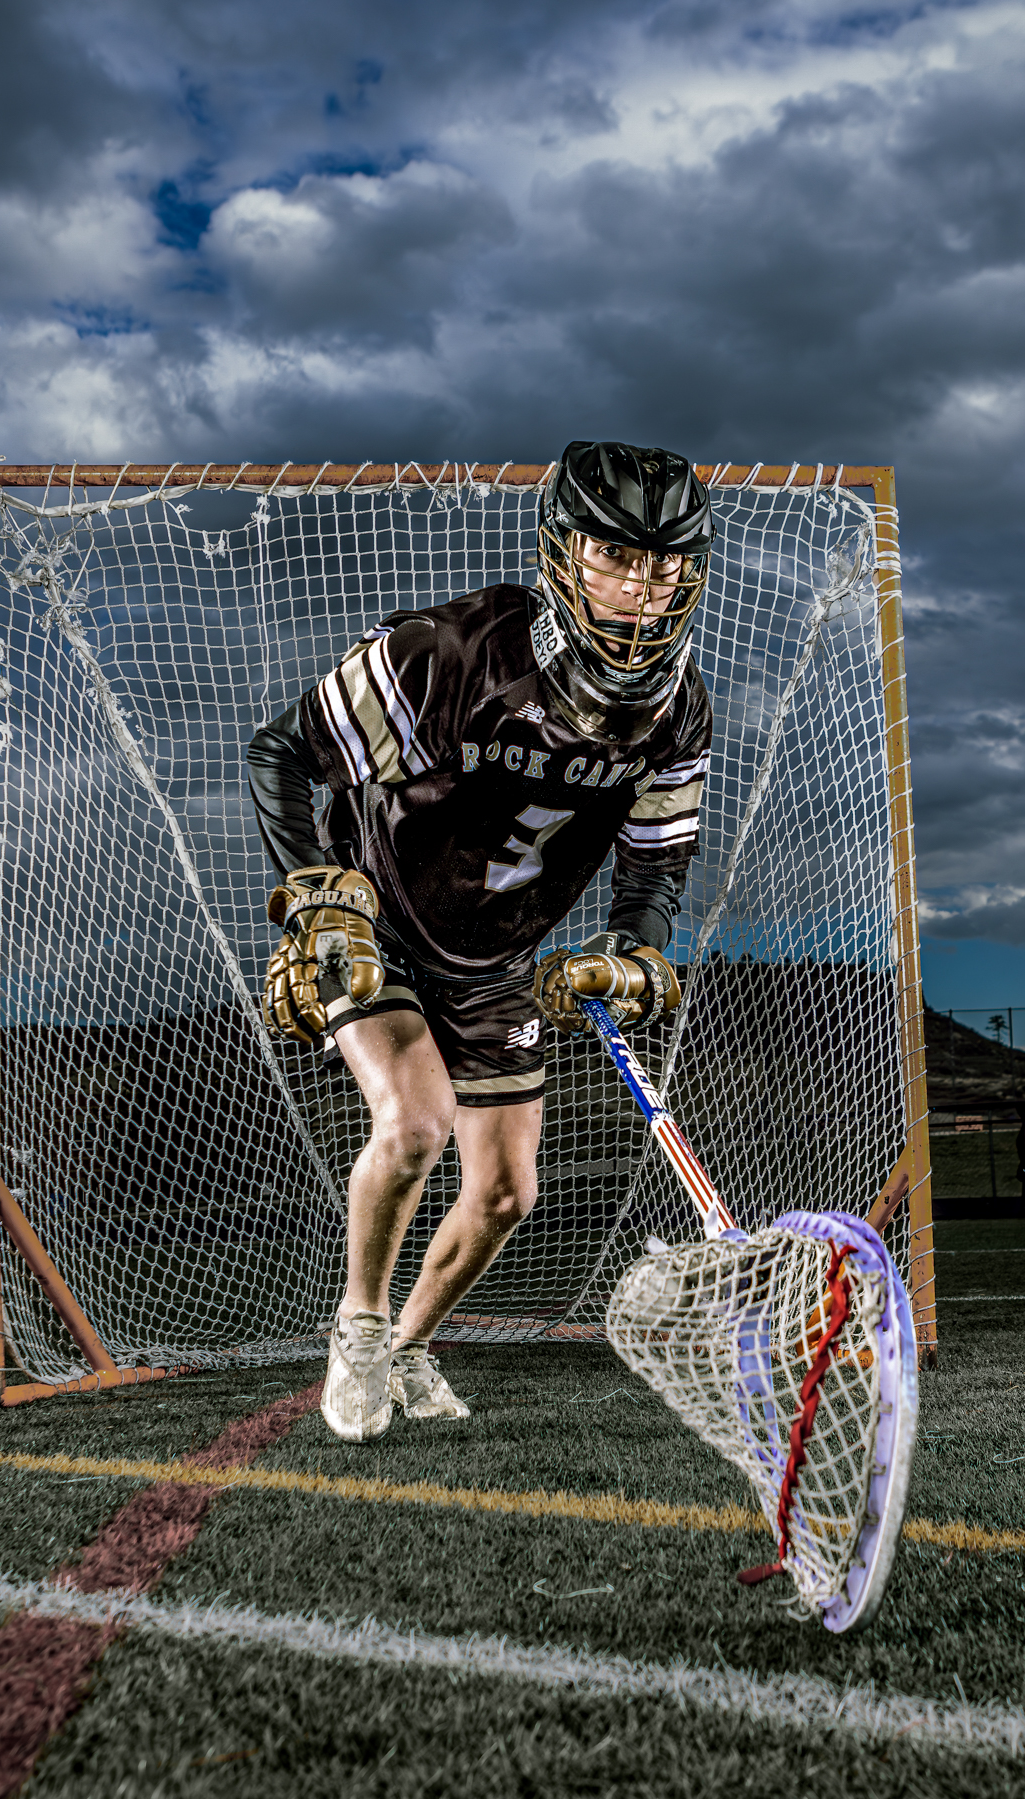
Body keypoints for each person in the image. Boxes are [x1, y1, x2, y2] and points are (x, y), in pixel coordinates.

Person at [246, 441, 715, 1441]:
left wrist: (633, 951)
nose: (643, 585)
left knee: (504, 1192)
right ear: (560, 552)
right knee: (413, 1125)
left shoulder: (677, 713)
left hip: (496, 958)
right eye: (616, 556)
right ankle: (361, 1329)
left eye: (666, 562)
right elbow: (284, 751)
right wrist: (319, 900)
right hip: (376, 930)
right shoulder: (455, 655)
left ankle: (412, 1346)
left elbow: (654, 868)